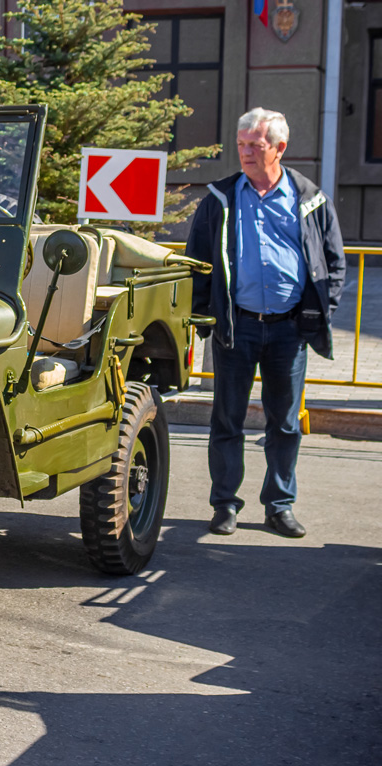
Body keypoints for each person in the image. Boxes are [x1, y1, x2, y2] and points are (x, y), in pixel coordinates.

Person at [186, 108, 346, 538]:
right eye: (241, 145)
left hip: (288, 330)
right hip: (236, 327)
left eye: (255, 145)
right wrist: (204, 317)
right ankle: (224, 505)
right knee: (227, 421)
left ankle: (279, 505)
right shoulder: (221, 198)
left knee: (285, 423)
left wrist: (318, 312)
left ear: (280, 148)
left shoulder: (309, 198)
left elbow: (333, 263)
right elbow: (197, 261)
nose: (246, 153)